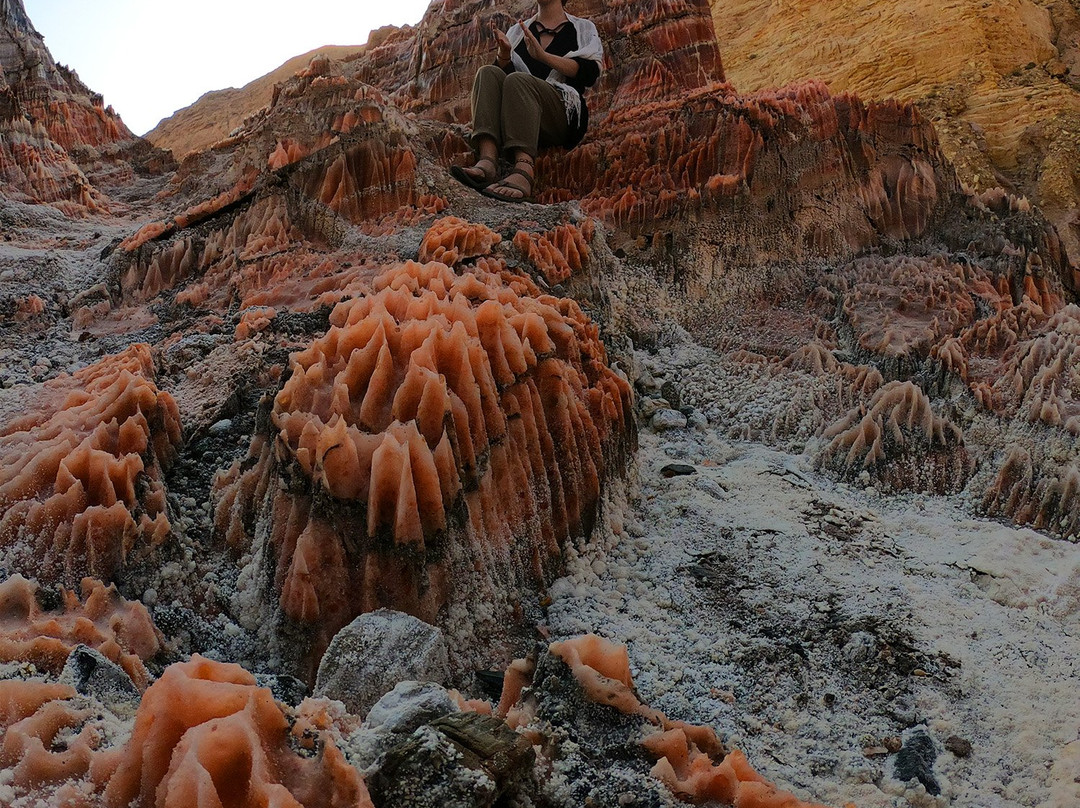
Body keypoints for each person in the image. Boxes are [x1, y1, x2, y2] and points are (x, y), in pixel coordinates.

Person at [451, 0, 603, 203]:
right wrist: (504, 56)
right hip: (520, 117)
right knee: (487, 72)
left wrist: (543, 56)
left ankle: (524, 170)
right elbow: (504, 84)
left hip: (561, 115)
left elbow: (589, 73)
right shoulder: (519, 30)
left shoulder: (582, 28)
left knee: (519, 80)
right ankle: (487, 160)